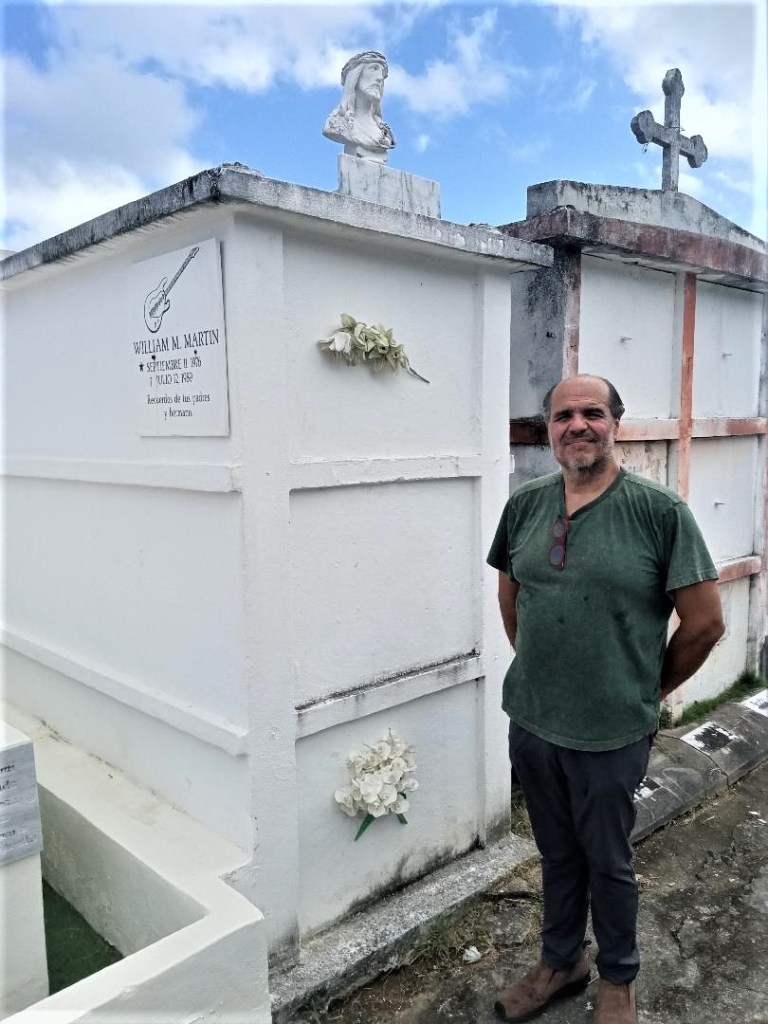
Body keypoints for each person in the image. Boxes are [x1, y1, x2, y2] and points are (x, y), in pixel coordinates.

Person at [487, 374, 724, 1024]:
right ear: (549, 429)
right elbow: (512, 596)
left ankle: (618, 978)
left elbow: (705, 623)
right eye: (563, 415)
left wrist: (645, 689)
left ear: (616, 423)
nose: (578, 425)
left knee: (607, 861)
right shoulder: (525, 506)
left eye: (592, 412)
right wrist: (544, 670)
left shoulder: (659, 512)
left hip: (611, 732)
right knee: (557, 853)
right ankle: (562, 960)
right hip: (534, 722)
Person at [323, 50, 395, 162]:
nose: (380, 78)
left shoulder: (385, 133)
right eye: (374, 69)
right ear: (355, 76)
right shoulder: (336, 123)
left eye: (382, 73)